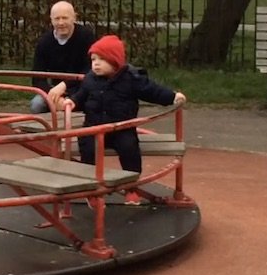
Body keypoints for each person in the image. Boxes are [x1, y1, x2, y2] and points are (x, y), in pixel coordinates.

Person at [62, 35, 186, 205]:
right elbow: (82, 95)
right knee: (88, 150)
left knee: (130, 150)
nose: (95, 63)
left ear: (115, 61)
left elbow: (151, 91)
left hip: (122, 128)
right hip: (94, 127)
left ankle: (130, 188)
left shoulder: (131, 79)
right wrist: (72, 101)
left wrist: (172, 97)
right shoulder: (91, 79)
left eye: (101, 59)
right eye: (93, 59)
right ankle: (90, 190)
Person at [30, 0, 96, 113]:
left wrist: (64, 86)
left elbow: (90, 69)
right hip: (55, 91)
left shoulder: (86, 37)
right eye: (57, 18)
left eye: (65, 18)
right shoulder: (44, 42)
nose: (61, 23)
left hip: (81, 89)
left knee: (93, 103)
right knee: (37, 104)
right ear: (51, 20)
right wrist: (52, 94)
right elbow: (37, 77)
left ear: (74, 18)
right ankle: (47, 129)